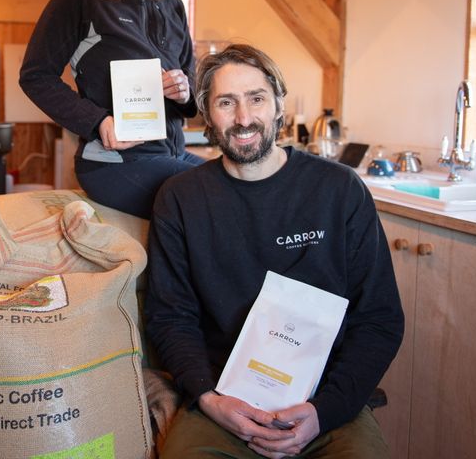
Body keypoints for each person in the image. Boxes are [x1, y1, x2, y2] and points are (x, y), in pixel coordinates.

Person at [144, 44, 404, 458]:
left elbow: (379, 319)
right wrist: (209, 399)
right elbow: (170, 316)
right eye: (226, 102)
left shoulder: (339, 191)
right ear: (207, 115)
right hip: (222, 402)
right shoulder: (180, 199)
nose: (244, 118)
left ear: (278, 104)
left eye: (256, 99)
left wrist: (324, 411)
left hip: (325, 405)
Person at [19, 0, 203, 219]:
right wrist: (98, 121)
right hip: (113, 162)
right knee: (211, 195)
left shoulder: (173, 4)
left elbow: (190, 78)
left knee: (240, 182)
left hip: (171, 153)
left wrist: (184, 90)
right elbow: (35, 76)